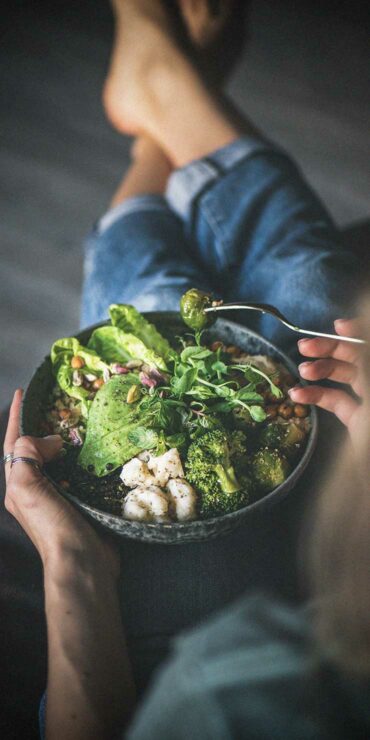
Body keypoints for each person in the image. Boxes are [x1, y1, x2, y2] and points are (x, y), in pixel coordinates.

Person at [2, 0, 365, 737]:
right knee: (312, 292)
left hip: (161, 627)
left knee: (152, 298)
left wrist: (73, 567)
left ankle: (162, 112)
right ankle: (170, 93)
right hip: (336, 561)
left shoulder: (218, 704)